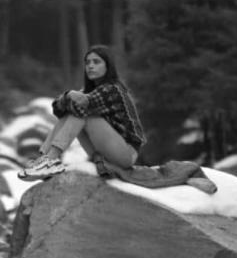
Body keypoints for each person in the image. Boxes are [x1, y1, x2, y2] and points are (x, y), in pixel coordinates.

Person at [19, 45, 147, 181]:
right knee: (71, 112)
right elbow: (58, 110)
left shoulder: (113, 89)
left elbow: (80, 107)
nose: (90, 66)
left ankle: (50, 159)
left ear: (107, 66)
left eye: (96, 62)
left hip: (126, 152)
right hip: (103, 151)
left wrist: (69, 96)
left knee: (82, 113)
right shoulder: (88, 91)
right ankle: (45, 158)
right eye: (87, 62)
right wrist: (69, 96)